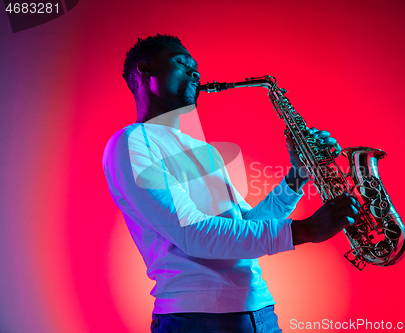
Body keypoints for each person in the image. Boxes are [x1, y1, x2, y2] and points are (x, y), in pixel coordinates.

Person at [102, 34, 360, 333]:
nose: (195, 73)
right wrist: (306, 230)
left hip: (259, 312)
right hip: (196, 320)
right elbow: (194, 234)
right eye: (182, 63)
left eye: (196, 67)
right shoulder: (131, 142)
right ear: (146, 69)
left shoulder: (203, 151)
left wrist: (297, 176)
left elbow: (246, 224)